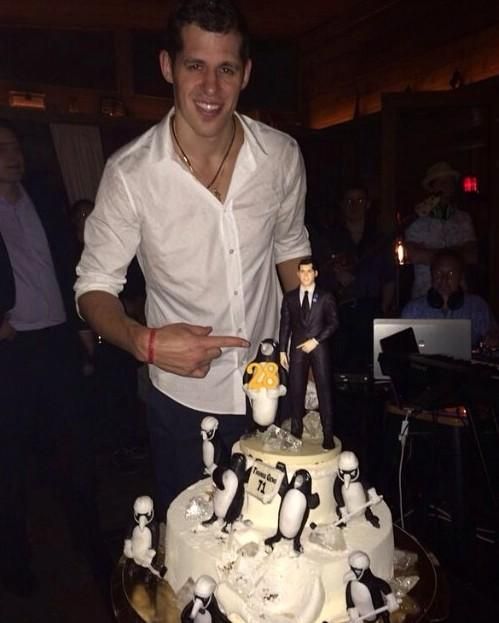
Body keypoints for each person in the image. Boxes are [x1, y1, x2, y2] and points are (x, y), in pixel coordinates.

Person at [75, 0, 310, 517]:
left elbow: (292, 250)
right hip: (181, 404)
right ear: (167, 67)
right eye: (194, 66)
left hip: (273, 392)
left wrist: (311, 330)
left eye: (225, 68)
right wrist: (145, 341)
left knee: (276, 546)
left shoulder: (282, 156)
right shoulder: (130, 174)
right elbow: (93, 287)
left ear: (245, 74)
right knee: (192, 557)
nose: (210, 87)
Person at [0, 119, 105, 596]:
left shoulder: (42, 196)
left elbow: (68, 262)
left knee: (77, 448)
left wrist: (82, 323)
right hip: (13, 349)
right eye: (2, 147)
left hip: (58, 341)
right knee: (12, 462)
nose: (13, 154)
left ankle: (92, 544)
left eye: (16, 145)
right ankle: (16, 563)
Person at [311, 183, 395, 372]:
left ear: (367, 204)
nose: (354, 205)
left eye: (359, 200)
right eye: (349, 201)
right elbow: (316, 273)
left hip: (370, 311)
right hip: (338, 313)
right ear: (342, 204)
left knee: (370, 368)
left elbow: (389, 277)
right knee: (339, 369)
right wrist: (334, 274)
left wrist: (382, 309)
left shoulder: (379, 239)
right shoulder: (328, 239)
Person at [279, 257, 337, 449]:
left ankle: (327, 433)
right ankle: (296, 431)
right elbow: (285, 325)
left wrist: (316, 340)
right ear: (297, 274)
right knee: (296, 389)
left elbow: (333, 323)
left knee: (324, 390)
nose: (305, 275)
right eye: (302, 271)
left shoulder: (325, 297)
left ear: (315, 273)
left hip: (319, 349)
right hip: (296, 349)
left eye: (309, 271)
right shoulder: (290, 298)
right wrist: (281, 350)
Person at [405, 161, 478, 299]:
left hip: (459, 297)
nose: (445, 186)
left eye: (449, 182)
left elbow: (472, 255)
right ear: (431, 188)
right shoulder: (416, 220)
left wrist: (429, 253)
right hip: (424, 296)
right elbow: (412, 255)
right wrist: (457, 252)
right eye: (440, 182)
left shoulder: (464, 219)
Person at [401, 249, 499, 349]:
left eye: (451, 274)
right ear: (431, 275)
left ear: (460, 277)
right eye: (438, 273)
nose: (444, 279)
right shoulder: (412, 310)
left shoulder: (478, 307)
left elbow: (494, 334)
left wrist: (493, 338)